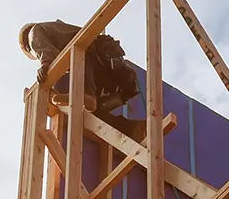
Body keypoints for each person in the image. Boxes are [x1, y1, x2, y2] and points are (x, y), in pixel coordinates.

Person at [19, 20, 172, 142]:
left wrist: (44, 66)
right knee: (95, 112)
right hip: (109, 69)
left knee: (66, 67)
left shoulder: (34, 33)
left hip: (92, 57)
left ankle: (87, 95)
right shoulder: (59, 30)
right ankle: (133, 129)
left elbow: (47, 53)